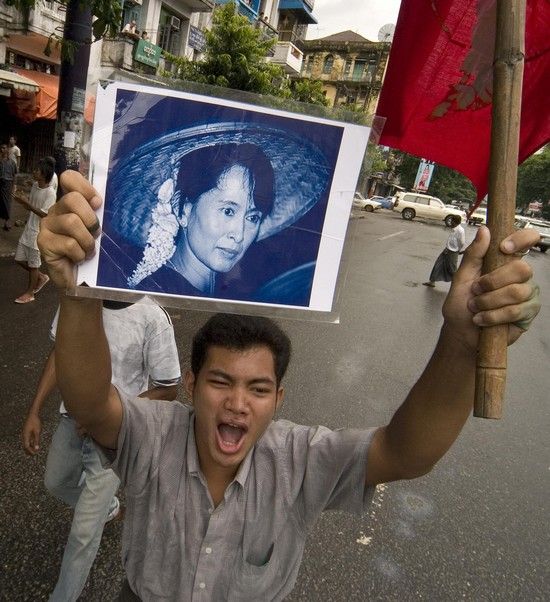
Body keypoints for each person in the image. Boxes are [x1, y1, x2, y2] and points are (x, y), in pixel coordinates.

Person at [38, 171, 541, 600]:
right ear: (190, 385)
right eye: (220, 382)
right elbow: (89, 403)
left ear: (279, 399)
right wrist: (77, 292)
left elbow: (406, 453)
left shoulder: (302, 459)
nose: (237, 404)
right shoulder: (151, 433)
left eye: (258, 389)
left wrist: (460, 344)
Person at [21, 298, 181, 601]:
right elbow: (60, 354)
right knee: (55, 482)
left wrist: (107, 414)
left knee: (83, 533)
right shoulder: (78, 299)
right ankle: (110, 509)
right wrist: (34, 410)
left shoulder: (152, 317)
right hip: (72, 420)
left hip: (115, 438)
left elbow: (168, 388)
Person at [125, 143, 275, 295]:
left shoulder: (228, 293)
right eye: (228, 211)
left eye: (252, 218)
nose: (239, 235)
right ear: (182, 210)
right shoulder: (155, 295)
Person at [13, 157, 56, 303]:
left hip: (38, 232)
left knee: (33, 264)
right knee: (19, 259)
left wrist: (27, 203)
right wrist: (21, 200)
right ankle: (41, 277)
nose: (34, 172)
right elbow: (30, 206)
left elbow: (45, 214)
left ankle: (30, 293)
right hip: (28, 229)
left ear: (44, 174)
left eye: (37, 170)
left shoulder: (50, 193)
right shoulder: (35, 187)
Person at [423, 214, 466, 287]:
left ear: (455, 222)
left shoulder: (460, 231)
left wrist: (458, 250)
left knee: (452, 269)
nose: (450, 223)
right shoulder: (454, 229)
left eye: (451, 221)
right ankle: (432, 281)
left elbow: (462, 242)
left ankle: (458, 285)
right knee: (438, 264)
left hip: (453, 252)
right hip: (447, 250)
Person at [0, 141, 18, 231]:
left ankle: (7, 222)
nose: (2, 149)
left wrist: (14, 185)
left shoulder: (12, 162)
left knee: (7, 202)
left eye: (4, 148)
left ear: (7, 150)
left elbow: (14, 175)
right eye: (1, 148)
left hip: (7, 184)